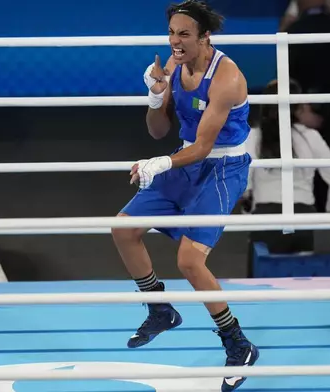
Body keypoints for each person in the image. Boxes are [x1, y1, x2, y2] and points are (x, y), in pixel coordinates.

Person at [111, 1, 258, 391]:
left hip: (222, 167)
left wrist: (159, 164)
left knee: (190, 261)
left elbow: (205, 147)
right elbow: (158, 131)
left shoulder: (227, 78)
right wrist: (157, 97)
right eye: (172, 32)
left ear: (205, 36)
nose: (175, 42)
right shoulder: (173, 66)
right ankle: (159, 308)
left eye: (184, 35)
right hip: (183, 157)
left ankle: (237, 343)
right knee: (124, 229)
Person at [244, 79, 330, 254]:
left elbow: (243, 182)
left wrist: (248, 211)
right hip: (304, 217)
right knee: (303, 278)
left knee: (263, 280)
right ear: (298, 107)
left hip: (266, 217)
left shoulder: (253, 137)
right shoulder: (310, 136)